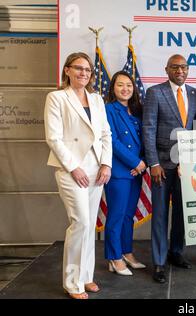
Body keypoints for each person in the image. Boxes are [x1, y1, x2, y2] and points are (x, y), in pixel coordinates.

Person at [44, 52, 112, 299]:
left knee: (89, 224)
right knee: (80, 222)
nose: (84, 73)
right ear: (67, 70)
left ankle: (85, 276)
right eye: (78, 68)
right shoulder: (56, 98)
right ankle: (72, 282)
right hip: (71, 169)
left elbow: (106, 135)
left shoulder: (97, 99)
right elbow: (54, 138)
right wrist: (74, 167)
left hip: (96, 170)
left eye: (88, 70)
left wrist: (106, 164)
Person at [142, 54, 196, 283]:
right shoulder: (155, 93)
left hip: (186, 166)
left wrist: (194, 161)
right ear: (166, 70)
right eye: (175, 67)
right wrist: (153, 163)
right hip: (162, 166)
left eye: (184, 67)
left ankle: (176, 252)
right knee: (159, 214)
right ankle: (158, 262)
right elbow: (148, 129)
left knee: (182, 212)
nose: (180, 71)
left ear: (188, 70)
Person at [104, 71, 147, 276]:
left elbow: (146, 139)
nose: (125, 89)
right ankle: (114, 257)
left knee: (128, 216)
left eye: (129, 85)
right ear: (113, 88)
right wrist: (135, 162)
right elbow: (112, 141)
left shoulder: (137, 111)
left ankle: (126, 252)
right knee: (116, 216)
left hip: (136, 172)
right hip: (119, 171)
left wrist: (143, 163)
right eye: (120, 85)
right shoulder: (108, 110)